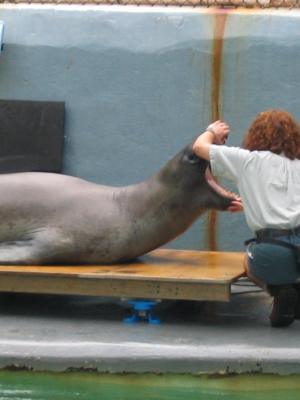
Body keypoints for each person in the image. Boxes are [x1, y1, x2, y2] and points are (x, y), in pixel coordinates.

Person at [193, 109, 300, 327]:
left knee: (247, 261)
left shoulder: (247, 161)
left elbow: (199, 148)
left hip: (272, 250)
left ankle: (278, 290)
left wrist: (211, 132)